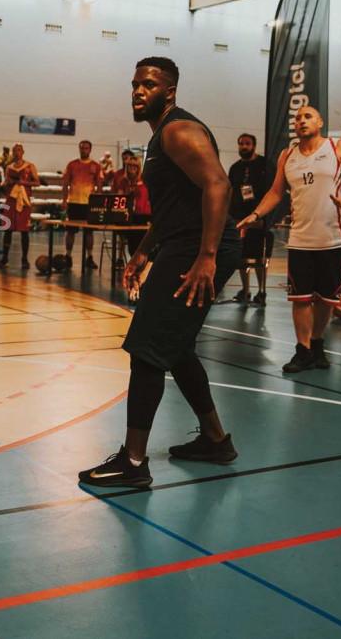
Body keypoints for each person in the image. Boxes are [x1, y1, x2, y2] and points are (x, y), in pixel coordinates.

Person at [78, 57, 241, 488]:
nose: (137, 91)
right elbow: (175, 207)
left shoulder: (178, 130)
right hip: (183, 244)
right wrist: (144, 252)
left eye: (148, 85)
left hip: (199, 249)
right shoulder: (160, 136)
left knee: (148, 346)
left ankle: (132, 462)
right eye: (134, 84)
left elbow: (218, 186)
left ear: (169, 91)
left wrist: (206, 256)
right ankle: (214, 439)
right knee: (178, 345)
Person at [238, 106, 341, 374]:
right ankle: (303, 350)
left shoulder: (338, 148)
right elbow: (275, 192)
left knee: (326, 300)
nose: (301, 120)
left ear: (320, 122)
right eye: (297, 117)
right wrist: (255, 213)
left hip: (334, 238)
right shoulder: (288, 155)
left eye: (308, 116)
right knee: (300, 298)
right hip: (300, 239)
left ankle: (317, 344)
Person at [226, 133, 274, 305]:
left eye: (247, 144)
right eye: (241, 144)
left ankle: (262, 291)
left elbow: (272, 191)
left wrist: (264, 217)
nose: (243, 147)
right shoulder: (235, 168)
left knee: (260, 258)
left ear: (254, 145)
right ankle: (245, 290)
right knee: (242, 258)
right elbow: (230, 192)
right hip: (239, 220)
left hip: (259, 219)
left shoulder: (265, 165)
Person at [61, 140, 105, 269]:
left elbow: (99, 186)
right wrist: (64, 200)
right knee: (70, 231)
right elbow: (65, 184)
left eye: (86, 148)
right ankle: (68, 256)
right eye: (82, 148)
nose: (84, 150)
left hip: (88, 204)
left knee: (89, 232)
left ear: (90, 150)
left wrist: (99, 202)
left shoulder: (96, 166)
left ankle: (89, 257)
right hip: (74, 202)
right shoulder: (72, 165)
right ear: (79, 149)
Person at [0, 143, 39, 270]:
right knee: (8, 230)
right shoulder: (9, 167)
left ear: (23, 152)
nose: (17, 152)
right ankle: (5, 258)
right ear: (12, 152)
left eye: (19, 150)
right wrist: (5, 184)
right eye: (15, 150)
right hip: (11, 199)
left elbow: (37, 182)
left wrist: (24, 182)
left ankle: (24, 259)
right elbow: (4, 184)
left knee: (24, 231)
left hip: (23, 201)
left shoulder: (30, 166)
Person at [110, 153, 151, 265]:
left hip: (143, 217)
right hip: (128, 217)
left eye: (135, 166)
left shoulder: (145, 180)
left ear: (138, 168)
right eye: (129, 166)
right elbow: (119, 197)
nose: (132, 168)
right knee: (131, 247)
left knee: (141, 245)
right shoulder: (123, 181)